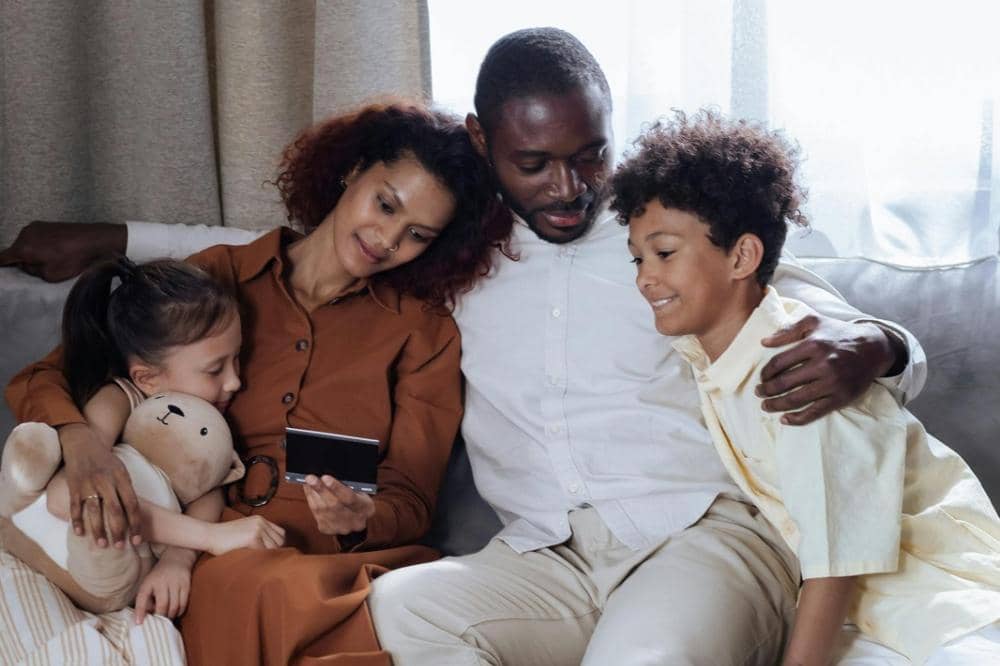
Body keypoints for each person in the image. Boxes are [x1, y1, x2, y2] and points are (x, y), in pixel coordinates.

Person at [2, 29, 924, 664]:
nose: (570, 187)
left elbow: (799, 297)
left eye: (589, 154)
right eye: (535, 164)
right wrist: (117, 237)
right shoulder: (455, 258)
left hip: (695, 532)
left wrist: (878, 343)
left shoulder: (659, 229)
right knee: (398, 622)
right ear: (484, 143)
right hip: (543, 556)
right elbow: (270, 244)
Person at [5, 101, 512, 665]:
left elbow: (412, 500)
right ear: (353, 170)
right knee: (242, 584)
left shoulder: (423, 332)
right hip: (207, 541)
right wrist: (83, 447)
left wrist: (362, 517)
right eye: (385, 204)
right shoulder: (219, 275)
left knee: (276, 590)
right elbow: (47, 376)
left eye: (417, 233)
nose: (388, 238)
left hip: (332, 567)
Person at [615, 109, 1000, 665]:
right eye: (638, 258)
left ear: (742, 256)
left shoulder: (798, 369)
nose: (645, 277)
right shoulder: (714, 356)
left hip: (947, 605)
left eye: (665, 253)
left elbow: (835, 563)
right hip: (878, 613)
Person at [16, 256, 285, 618]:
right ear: (146, 378)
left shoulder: (204, 423)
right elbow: (69, 495)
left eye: (237, 359)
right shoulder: (118, 401)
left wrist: (178, 560)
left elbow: (209, 492)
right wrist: (210, 538)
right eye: (214, 369)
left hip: (128, 579)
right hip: (55, 566)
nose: (235, 381)